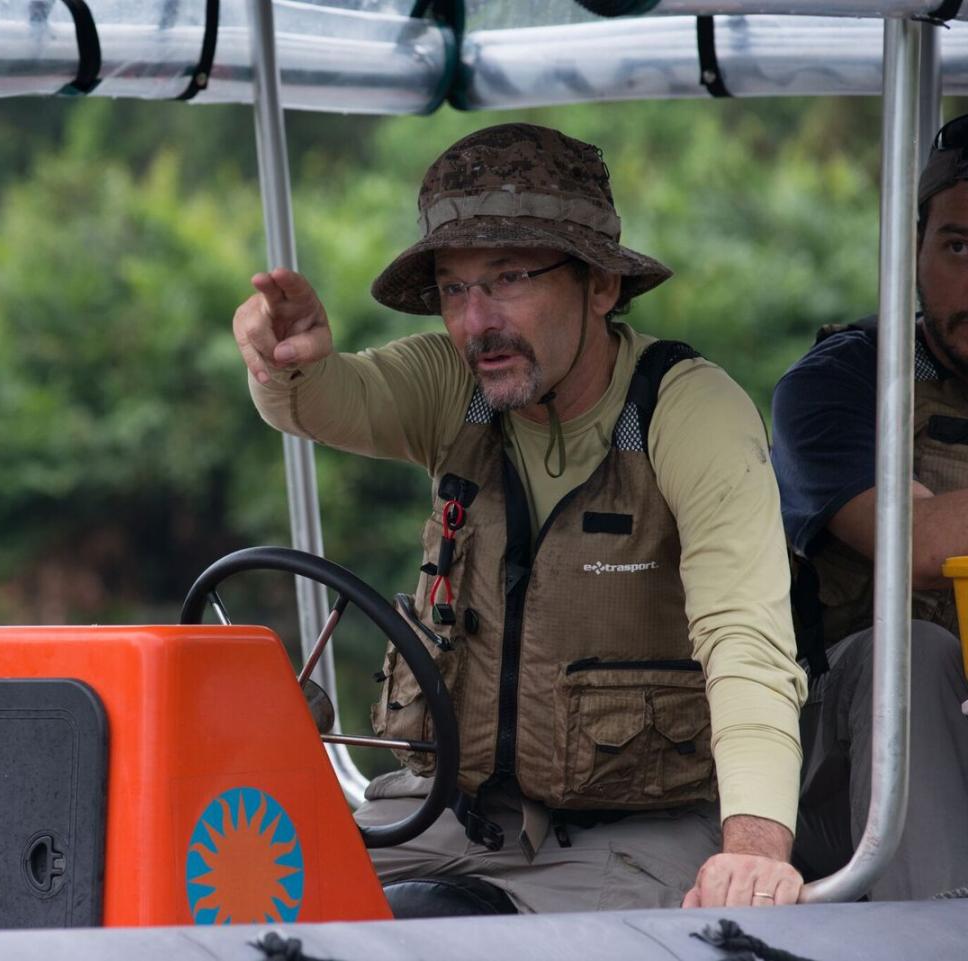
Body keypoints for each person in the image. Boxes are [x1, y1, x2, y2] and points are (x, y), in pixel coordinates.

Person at [231, 123, 807, 913]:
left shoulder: (687, 411)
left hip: (634, 830)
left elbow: (745, 636)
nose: (475, 322)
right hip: (439, 815)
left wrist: (753, 848)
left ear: (600, 286)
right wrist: (283, 360)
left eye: (507, 278)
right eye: (454, 288)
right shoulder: (453, 385)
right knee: (260, 906)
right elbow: (330, 398)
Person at [770, 112, 968, 901]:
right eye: (961, 246)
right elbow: (917, 540)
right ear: (913, 250)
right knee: (910, 652)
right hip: (850, 770)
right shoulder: (844, 384)